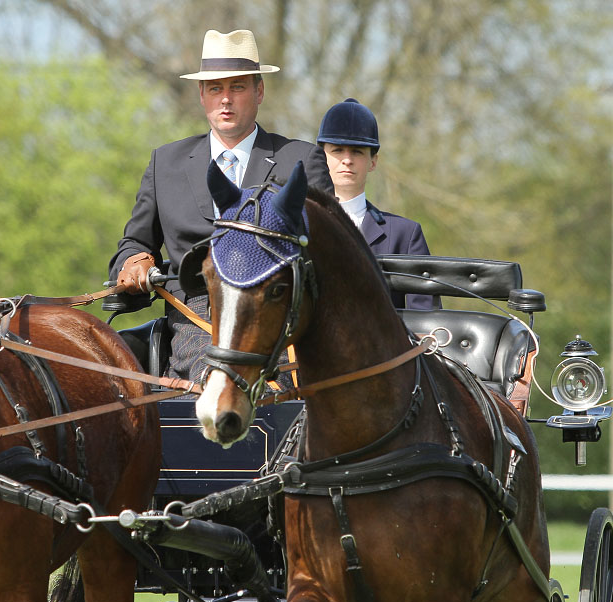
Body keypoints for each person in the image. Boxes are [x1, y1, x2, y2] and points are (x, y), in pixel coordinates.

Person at [109, 29, 333, 381]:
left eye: (237, 88)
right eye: (215, 89)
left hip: (276, 316)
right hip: (196, 318)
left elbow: (327, 254)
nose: (225, 100)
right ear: (202, 95)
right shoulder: (165, 163)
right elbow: (135, 243)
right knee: (217, 378)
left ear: (259, 91)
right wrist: (134, 262)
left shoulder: (301, 160)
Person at [317, 98, 436, 310]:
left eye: (357, 152)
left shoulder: (406, 235)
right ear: (321, 157)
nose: (347, 160)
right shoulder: (298, 224)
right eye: (337, 150)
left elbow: (425, 320)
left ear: (373, 162)